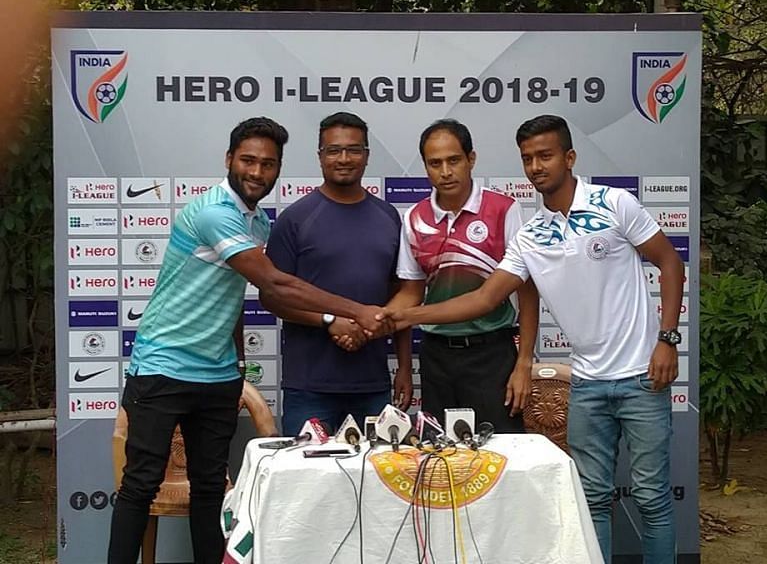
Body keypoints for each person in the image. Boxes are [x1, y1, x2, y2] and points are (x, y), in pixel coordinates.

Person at [385, 114, 684, 564]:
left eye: (545, 156)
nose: (536, 167)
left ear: (569, 157)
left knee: (652, 497)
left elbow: (670, 263)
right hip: (586, 384)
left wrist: (667, 338)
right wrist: (404, 316)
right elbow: (486, 297)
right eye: (527, 159)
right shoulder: (530, 235)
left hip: (643, 376)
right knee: (593, 498)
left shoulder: (615, 203)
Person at [108, 117, 393, 564]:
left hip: (218, 376)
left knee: (209, 488)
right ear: (228, 160)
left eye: (268, 164)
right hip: (163, 367)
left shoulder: (257, 221)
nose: (257, 172)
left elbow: (234, 295)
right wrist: (355, 310)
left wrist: (237, 363)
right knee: (140, 484)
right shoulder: (212, 213)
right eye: (248, 161)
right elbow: (275, 285)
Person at [261, 112, 412, 435]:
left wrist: (404, 367)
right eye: (333, 150)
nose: (344, 158)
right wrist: (330, 321)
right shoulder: (296, 219)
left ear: (367, 156)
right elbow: (272, 297)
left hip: (373, 386)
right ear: (320, 157)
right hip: (309, 388)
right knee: (305, 481)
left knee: (376, 481)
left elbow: (401, 295)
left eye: (354, 150)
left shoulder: (389, 217)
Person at [385, 118, 538, 432]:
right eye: (434, 163)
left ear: (471, 159)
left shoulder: (504, 209)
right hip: (436, 356)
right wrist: (378, 318)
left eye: (453, 160)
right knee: (442, 458)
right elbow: (410, 293)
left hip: (492, 354)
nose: (445, 172)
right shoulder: (415, 217)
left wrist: (524, 363)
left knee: (500, 455)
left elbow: (527, 292)